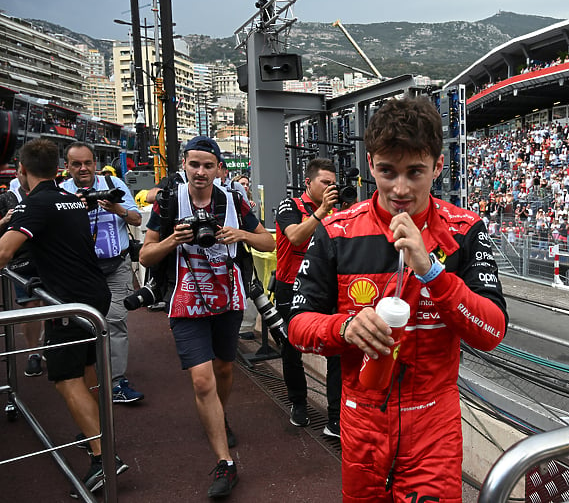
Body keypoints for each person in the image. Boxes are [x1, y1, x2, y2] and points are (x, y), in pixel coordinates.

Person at [288, 97, 508, 502]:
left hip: (433, 421)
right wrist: (346, 327)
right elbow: (297, 327)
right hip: (361, 419)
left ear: (438, 167)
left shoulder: (464, 231)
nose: (400, 189)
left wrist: (434, 273)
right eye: (388, 172)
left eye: (415, 172)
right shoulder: (337, 231)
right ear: (371, 164)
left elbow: (492, 330)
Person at [139, 136, 275, 498]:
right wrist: (173, 240)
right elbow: (145, 256)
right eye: (194, 164)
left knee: (224, 370)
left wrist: (242, 234)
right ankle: (225, 462)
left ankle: (218, 415)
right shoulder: (169, 202)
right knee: (202, 382)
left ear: (219, 168)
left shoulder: (233, 200)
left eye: (208, 165)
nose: (200, 172)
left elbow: (270, 242)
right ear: (183, 165)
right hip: (186, 302)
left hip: (227, 299)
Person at [0, 139, 126, 495]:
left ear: (22, 171)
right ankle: (96, 435)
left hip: (72, 303)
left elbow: (4, 253)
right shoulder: (70, 199)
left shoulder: (34, 204)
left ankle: (105, 459)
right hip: (92, 295)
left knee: (64, 377)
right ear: (59, 169)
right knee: (86, 370)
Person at [61, 142, 144, 404]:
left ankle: (116, 382)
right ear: (68, 167)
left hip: (116, 265)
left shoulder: (115, 184)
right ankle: (84, 379)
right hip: (81, 270)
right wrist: (76, 209)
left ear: (95, 163)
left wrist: (116, 208)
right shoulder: (62, 192)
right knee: (81, 324)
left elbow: (137, 219)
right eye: (77, 164)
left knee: (116, 322)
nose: (83, 168)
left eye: (87, 162)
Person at [275, 158, 342, 436]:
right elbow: (294, 237)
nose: (330, 188)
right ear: (308, 183)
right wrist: (323, 211)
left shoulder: (337, 211)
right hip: (290, 286)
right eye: (325, 182)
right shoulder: (290, 206)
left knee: (337, 348)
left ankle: (335, 417)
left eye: (333, 184)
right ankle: (298, 403)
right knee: (292, 349)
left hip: (323, 287)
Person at [0, 169, 43, 377]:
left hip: (49, 257)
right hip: (21, 261)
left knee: (57, 304)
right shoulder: (6, 198)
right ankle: (33, 352)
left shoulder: (49, 193)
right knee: (31, 306)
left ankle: (54, 345)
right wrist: (5, 221)